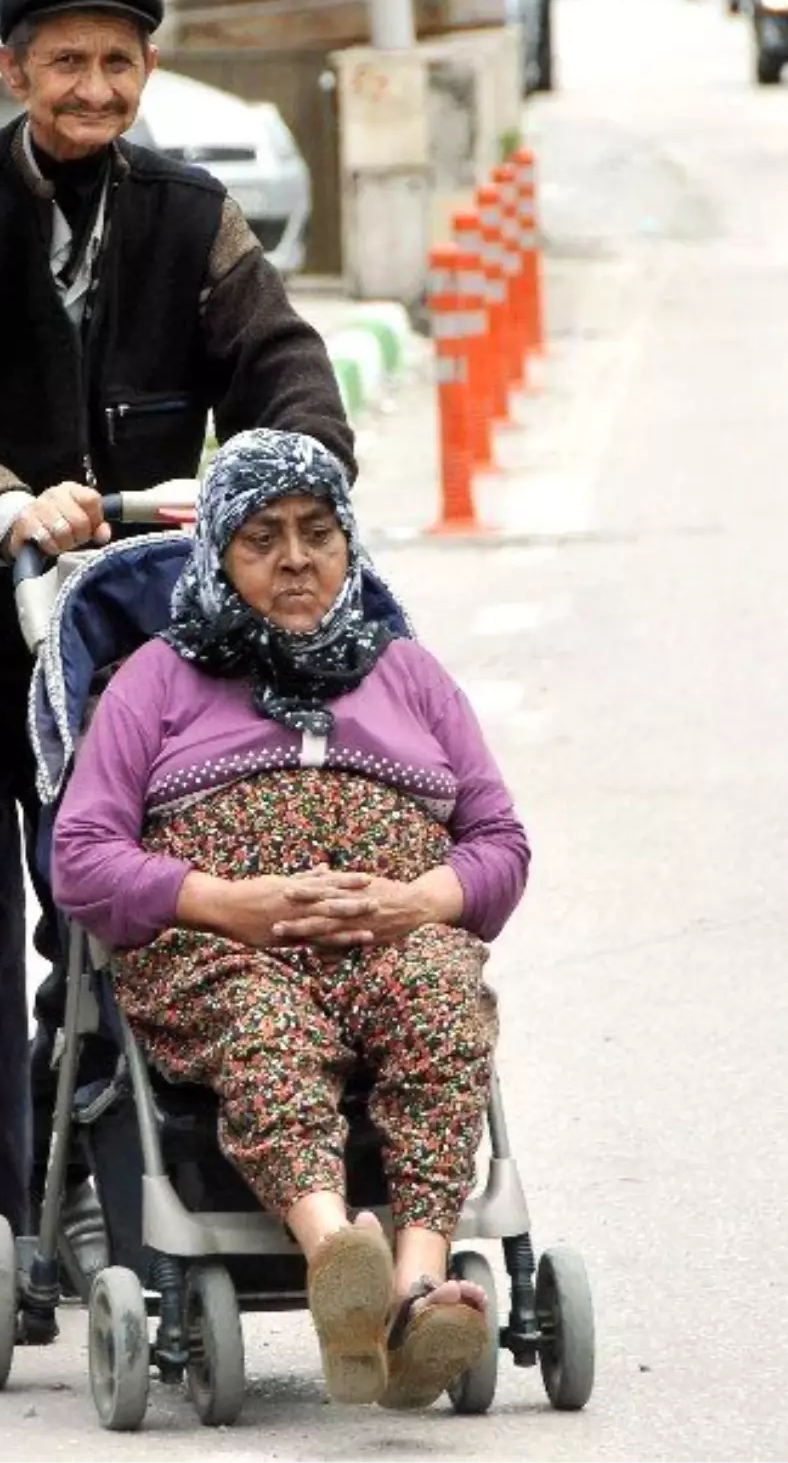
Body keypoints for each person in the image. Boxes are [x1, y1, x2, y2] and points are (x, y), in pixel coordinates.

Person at [0, 0, 354, 1338]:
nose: (94, 86)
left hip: (122, 643)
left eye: (119, 61)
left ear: (146, 74)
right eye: (65, 61)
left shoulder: (192, 215)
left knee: (114, 918)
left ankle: (97, 1190)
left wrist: (288, 471)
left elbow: (281, 356)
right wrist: (8, 506)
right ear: (13, 73)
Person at [51, 429, 531, 1409]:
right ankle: (335, 1259)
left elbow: (499, 843)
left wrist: (421, 899)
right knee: (265, 1031)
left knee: (446, 1005)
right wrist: (229, 904)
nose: (297, 559)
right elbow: (83, 857)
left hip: (393, 937)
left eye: (319, 533)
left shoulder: (408, 674)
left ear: (351, 546)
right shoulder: (156, 680)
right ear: (219, 556)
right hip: (222, 951)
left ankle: (417, 1286)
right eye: (262, 538)